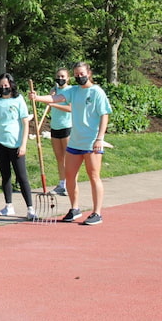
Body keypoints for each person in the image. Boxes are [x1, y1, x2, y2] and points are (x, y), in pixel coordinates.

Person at [31, 62, 112, 226]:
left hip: (92, 142)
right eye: (76, 74)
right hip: (75, 142)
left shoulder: (97, 92)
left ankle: (97, 212)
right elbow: (56, 98)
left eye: (82, 74)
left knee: (93, 176)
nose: (79, 77)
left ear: (89, 73)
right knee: (69, 176)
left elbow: (104, 115)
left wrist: (100, 138)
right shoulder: (73, 91)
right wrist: (37, 97)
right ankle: (74, 209)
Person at [0, 73, 35, 219]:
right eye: (1, 86)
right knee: (5, 175)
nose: (4, 88)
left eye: (6, 85)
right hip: (0, 143)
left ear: (12, 85)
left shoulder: (19, 100)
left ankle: (30, 208)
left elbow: (25, 123)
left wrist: (23, 144)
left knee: (21, 176)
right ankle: (9, 206)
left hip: (16, 144)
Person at [47, 68, 73, 196]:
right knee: (59, 158)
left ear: (68, 78)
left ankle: (70, 184)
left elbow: (70, 108)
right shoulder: (54, 91)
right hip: (55, 126)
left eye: (63, 76)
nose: (60, 79)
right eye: (58, 76)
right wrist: (51, 96)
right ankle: (62, 184)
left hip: (66, 126)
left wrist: (54, 104)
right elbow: (49, 100)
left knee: (69, 158)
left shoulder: (71, 91)